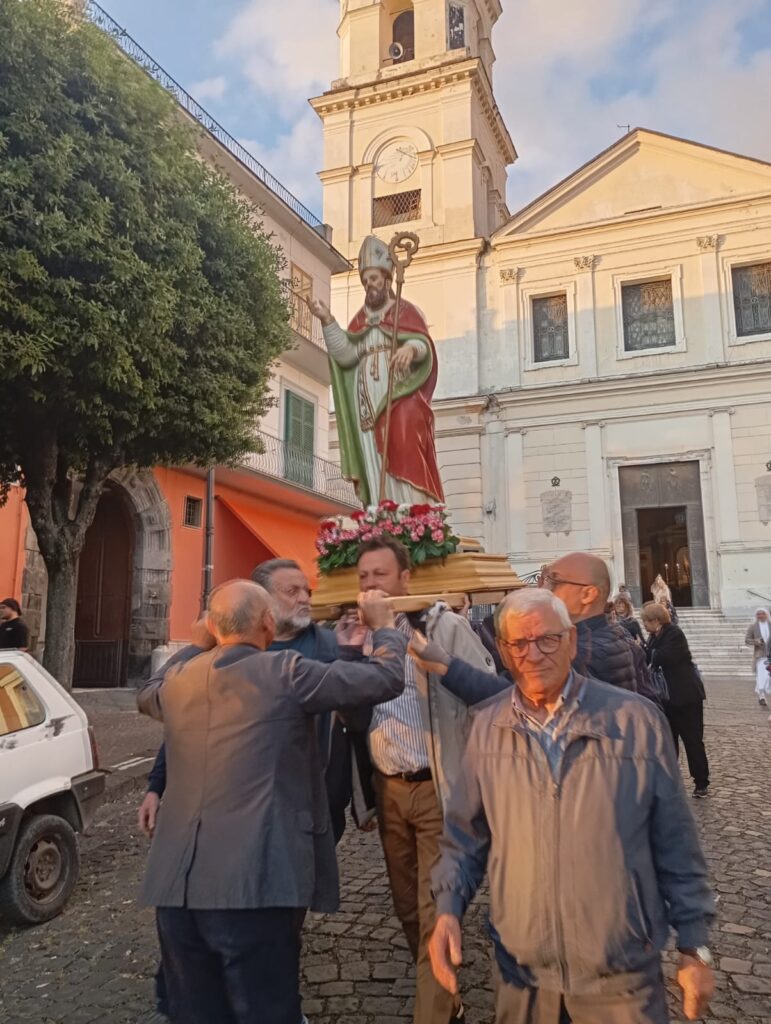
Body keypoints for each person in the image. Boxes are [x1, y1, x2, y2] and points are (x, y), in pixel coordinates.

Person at [428, 588, 716, 1024]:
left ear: (573, 642)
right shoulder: (486, 726)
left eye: (548, 638)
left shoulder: (634, 721)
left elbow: (677, 842)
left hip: (620, 978)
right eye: (519, 643)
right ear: (503, 653)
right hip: (521, 978)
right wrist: (448, 910)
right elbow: (465, 838)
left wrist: (695, 947)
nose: (534, 653)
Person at [137, 580, 406, 1024]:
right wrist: (386, 628)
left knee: (195, 1012)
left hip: (176, 888)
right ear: (267, 622)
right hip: (254, 881)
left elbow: (147, 691)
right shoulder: (285, 671)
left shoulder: (180, 679)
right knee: (266, 1009)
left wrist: (200, 641)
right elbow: (384, 679)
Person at [349, 535, 494, 1024]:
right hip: (389, 788)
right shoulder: (355, 635)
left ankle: (435, 1011)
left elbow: (489, 692)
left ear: (405, 578)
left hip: (438, 789)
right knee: (408, 908)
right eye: (363, 576)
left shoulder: (446, 625)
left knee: (435, 909)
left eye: (380, 575)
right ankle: (444, 988)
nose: (370, 585)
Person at [138, 559, 350, 845]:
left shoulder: (334, 648)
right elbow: (188, 723)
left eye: (306, 591)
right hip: (238, 811)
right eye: (292, 591)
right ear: (262, 601)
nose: (303, 598)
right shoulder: (222, 653)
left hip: (313, 808)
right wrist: (156, 785)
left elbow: (363, 716)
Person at [307, 235, 444, 506]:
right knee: (373, 453)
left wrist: (410, 349)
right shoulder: (360, 319)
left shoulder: (405, 311)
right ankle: (382, 510)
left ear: (388, 279)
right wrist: (327, 320)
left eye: (374, 278)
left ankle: (414, 512)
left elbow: (423, 345)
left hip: (399, 394)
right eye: (366, 280)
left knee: (405, 443)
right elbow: (346, 355)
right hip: (367, 402)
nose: (370, 284)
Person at [411, 552, 642, 707]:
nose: (542, 588)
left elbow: (508, 696)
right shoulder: (611, 633)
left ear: (588, 594)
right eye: (543, 579)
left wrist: (446, 665)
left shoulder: (581, 648)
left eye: (553, 581)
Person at [642, 601, 710, 797]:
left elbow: (664, 657)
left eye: (646, 621)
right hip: (667, 699)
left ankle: (701, 781)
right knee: (668, 742)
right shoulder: (654, 636)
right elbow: (648, 658)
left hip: (686, 697)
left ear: (656, 620)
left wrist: (649, 651)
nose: (644, 625)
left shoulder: (674, 633)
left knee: (693, 741)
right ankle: (670, 780)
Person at [744, 608, 771, 707]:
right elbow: (747, 640)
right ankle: (762, 696)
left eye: (762, 614)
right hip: (760, 656)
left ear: (766, 615)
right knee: (761, 677)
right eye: (758, 614)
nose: (760, 616)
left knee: (768, 677)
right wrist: (756, 641)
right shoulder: (753, 627)